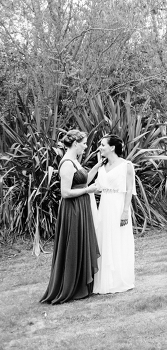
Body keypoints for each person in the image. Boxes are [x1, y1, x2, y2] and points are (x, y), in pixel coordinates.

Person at [41, 129, 104, 304]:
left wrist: (97, 168)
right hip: (73, 209)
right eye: (84, 143)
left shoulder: (75, 161)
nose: (86, 146)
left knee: (80, 243)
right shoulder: (67, 164)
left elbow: (83, 180)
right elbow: (65, 193)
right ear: (75, 144)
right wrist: (88, 191)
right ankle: (71, 286)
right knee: (73, 244)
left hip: (81, 206)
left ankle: (79, 284)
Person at [92, 134, 136, 294]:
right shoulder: (102, 166)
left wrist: (125, 211)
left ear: (112, 147)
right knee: (103, 240)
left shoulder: (127, 165)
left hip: (118, 206)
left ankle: (118, 280)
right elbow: (92, 183)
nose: (100, 148)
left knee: (118, 240)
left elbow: (129, 189)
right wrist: (96, 166)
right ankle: (104, 281)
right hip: (104, 206)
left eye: (103, 145)